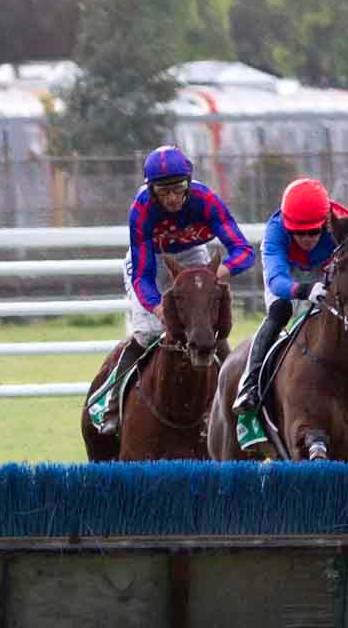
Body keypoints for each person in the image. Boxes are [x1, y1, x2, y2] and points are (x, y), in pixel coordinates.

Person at [96, 144, 257, 435]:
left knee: (208, 330)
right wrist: (159, 309)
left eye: (177, 189)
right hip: (152, 261)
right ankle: (112, 401)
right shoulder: (142, 210)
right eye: (162, 191)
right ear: (151, 190)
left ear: (188, 184)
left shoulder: (206, 200)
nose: (171, 198)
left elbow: (244, 251)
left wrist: (214, 276)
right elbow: (143, 276)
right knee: (147, 334)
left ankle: (231, 404)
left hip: (193, 254)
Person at [232, 177, 348, 415]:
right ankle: (250, 383)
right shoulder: (275, 233)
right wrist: (303, 290)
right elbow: (276, 281)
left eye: (314, 231)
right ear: (287, 226)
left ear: (325, 222)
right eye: (298, 232)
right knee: (279, 311)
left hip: (326, 271)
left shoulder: (341, 223)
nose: (307, 238)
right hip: (289, 276)